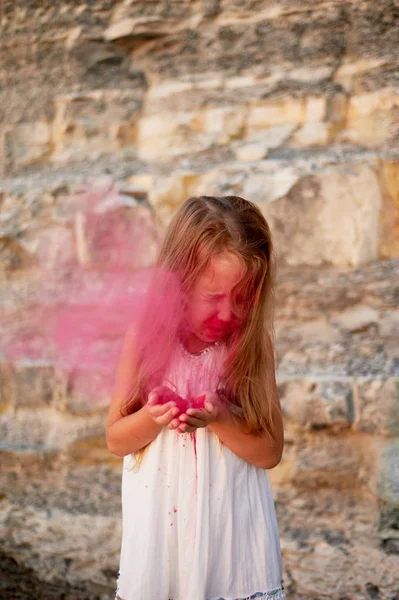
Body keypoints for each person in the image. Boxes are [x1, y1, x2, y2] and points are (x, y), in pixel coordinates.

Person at [106, 195, 286, 600]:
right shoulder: (146, 341)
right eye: (213, 296)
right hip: (162, 555)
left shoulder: (252, 347)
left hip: (234, 556)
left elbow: (270, 451)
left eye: (242, 299)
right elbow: (116, 440)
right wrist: (152, 417)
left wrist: (222, 417)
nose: (227, 314)